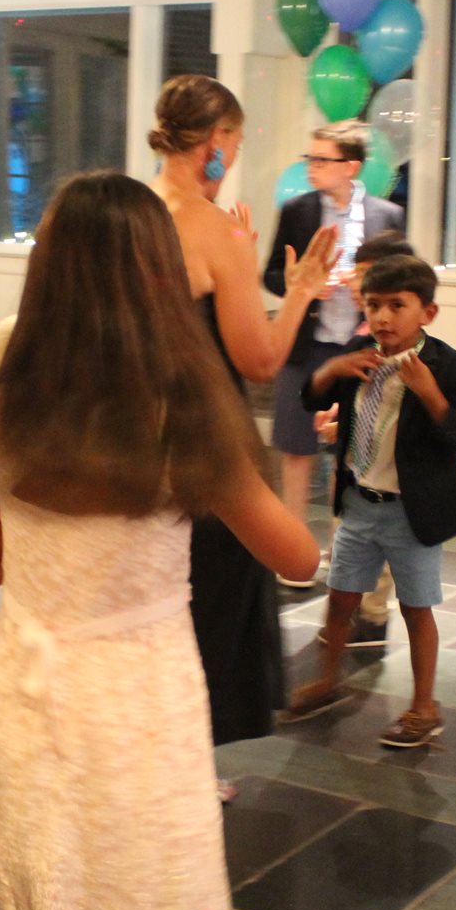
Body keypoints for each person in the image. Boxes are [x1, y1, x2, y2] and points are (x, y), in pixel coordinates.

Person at [0, 171, 319, 910]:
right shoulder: (178, 410)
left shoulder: (1, 404)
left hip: (34, 703)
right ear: (159, 277)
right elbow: (297, 556)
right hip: (137, 714)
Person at [149, 75, 335, 752]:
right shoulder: (214, 227)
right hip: (203, 440)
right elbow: (258, 360)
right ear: (217, 143)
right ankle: (191, 758)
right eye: (236, 141)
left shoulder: (129, 212)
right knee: (214, 599)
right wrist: (301, 291)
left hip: (131, 432)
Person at [282, 254, 456, 749]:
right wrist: (333, 368)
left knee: (416, 608)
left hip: (411, 514)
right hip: (359, 504)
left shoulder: (446, 365)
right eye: (373, 305)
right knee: (340, 599)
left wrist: (430, 393)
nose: (383, 317)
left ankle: (424, 706)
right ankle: (328, 681)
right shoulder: (359, 351)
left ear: (427, 313)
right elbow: (310, 397)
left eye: (397, 305)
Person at [264, 121, 405, 587]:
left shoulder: (386, 215)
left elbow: (401, 279)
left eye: (322, 160)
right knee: (296, 446)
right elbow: (272, 273)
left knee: (349, 450)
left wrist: (366, 286)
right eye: (310, 158)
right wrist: (302, 287)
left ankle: (339, 550)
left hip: (359, 349)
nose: (312, 167)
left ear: (351, 166)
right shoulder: (298, 210)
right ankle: (293, 550)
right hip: (305, 344)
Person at [311, 229, 417, 649]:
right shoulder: (366, 332)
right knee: (350, 531)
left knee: (374, 538)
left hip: (384, 470)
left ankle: (370, 618)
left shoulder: (399, 342)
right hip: (357, 463)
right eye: (357, 274)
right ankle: (359, 615)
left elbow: (394, 408)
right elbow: (363, 392)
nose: (356, 284)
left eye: (366, 275)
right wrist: (340, 411)